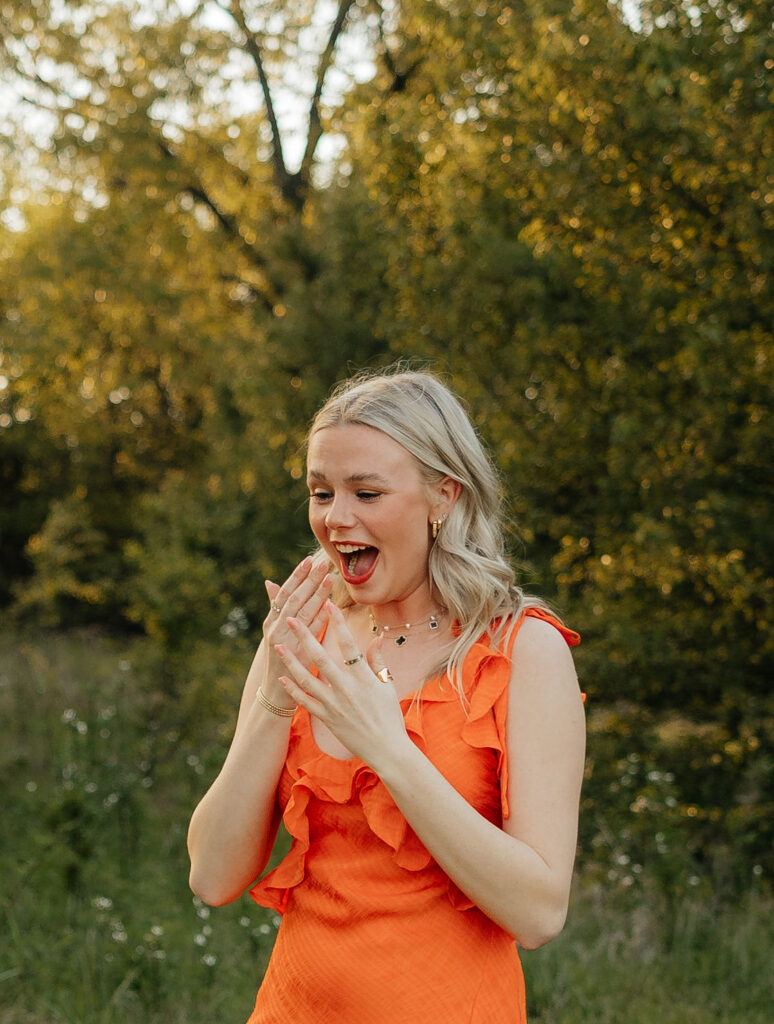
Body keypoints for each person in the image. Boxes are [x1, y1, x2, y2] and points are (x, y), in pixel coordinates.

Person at [187, 368, 586, 1023]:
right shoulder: (306, 628)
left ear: (443, 496)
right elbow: (213, 877)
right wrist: (275, 703)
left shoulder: (524, 651)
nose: (336, 518)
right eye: (321, 492)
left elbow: (539, 912)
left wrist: (387, 748)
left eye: (366, 492)